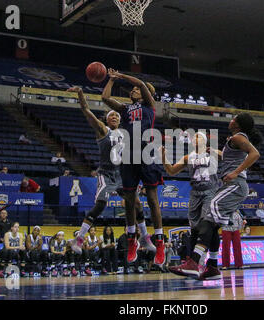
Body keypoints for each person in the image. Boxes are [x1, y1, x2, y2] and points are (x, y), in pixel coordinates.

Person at [169, 113, 262, 280]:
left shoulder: (238, 137)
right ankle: (212, 267)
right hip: (231, 186)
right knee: (211, 225)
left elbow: (255, 154)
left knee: (209, 215)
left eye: (234, 118)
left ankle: (194, 262)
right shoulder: (235, 139)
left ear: (238, 124)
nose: (231, 120)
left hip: (236, 184)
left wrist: (235, 172)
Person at [67, 86, 155, 258]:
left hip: (123, 174)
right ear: (107, 120)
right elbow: (86, 110)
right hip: (106, 174)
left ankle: (144, 237)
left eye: (116, 115)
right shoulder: (103, 130)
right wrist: (80, 94)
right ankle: (79, 239)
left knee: (136, 204)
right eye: (111, 115)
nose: (114, 116)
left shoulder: (126, 133)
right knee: (101, 204)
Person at [98, 69, 165, 267]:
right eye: (133, 89)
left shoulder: (150, 107)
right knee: (129, 200)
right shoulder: (125, 109)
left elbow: (143, 85)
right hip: (128, 155)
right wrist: (110, 79)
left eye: (137, 89)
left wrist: (123, 77)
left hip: (146, 153)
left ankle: (160, 241)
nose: (134, 90)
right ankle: (131, 239)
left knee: (152, 199)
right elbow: (105, 97)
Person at [161, 131, 221, 273]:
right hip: (195, 193)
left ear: (205, 141)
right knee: (195, 228)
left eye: (199, 136)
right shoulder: (188, 157)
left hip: (210, 191)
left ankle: (205, 262)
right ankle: (197, 264)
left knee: (208, 224)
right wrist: (163, 157)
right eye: (194, 137)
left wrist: (213, 150)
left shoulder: (211, 153)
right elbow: (171, 171)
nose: (195, 138)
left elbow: (225, 155)